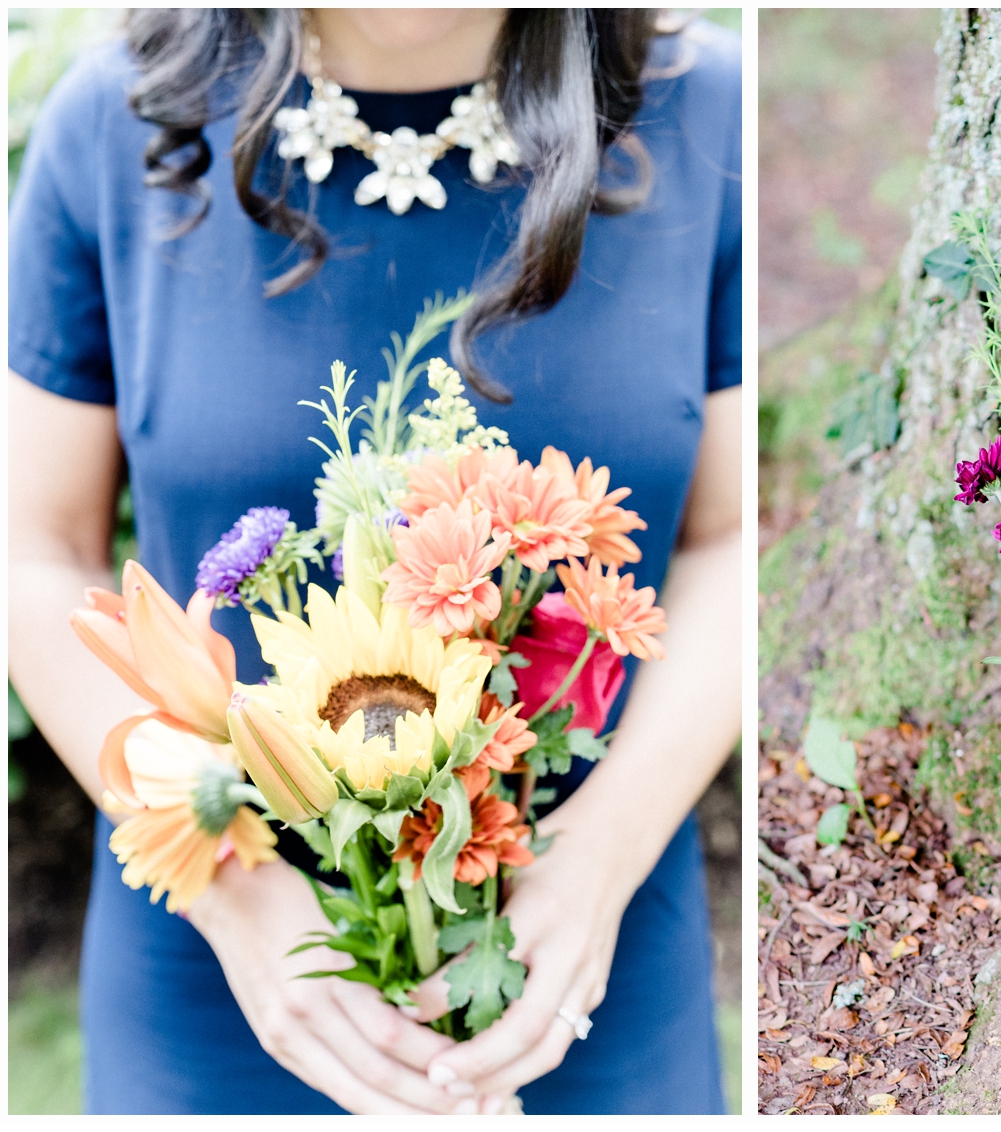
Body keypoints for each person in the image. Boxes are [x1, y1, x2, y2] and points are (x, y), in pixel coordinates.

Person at [8, 8, 741, 1115]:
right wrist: (236, 893)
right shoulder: (116, 124)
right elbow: (34, 549)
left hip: (591, 954)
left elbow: (736, 536)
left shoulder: (711, 116)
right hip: (226, 964)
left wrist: (601, 853)